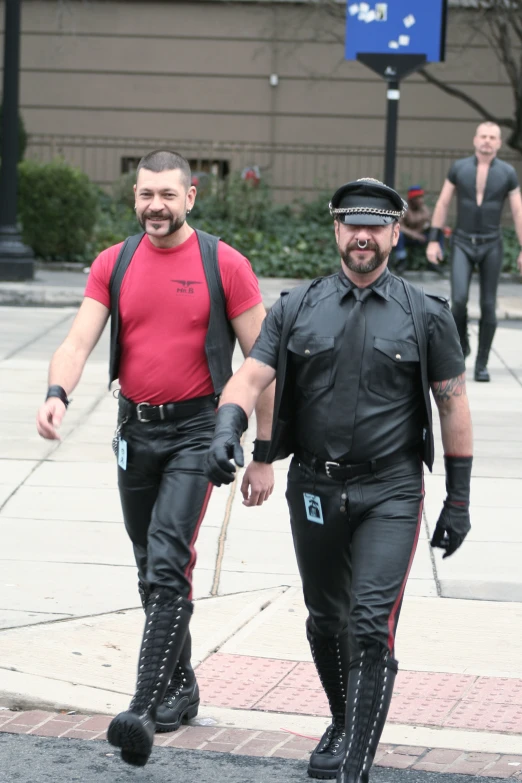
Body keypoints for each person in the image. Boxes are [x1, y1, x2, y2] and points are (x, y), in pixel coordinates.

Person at [204, 178, 473, 783]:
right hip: (315, 489)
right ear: (336, 230)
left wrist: (458, 498)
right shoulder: (297, 307)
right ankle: (344, 718)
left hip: (392, 490)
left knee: (369, 626)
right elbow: (249, 379)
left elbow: (454, 406)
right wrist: (229, 432)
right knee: (326, 620)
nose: (363, 236)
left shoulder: (426, 316)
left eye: (376, 226)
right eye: (353, 225)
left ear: (395, 234)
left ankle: (355, 768)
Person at [35, 150, 275, 767]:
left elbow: (265, 367)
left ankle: (144, 705)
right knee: (151, 565)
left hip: (199, 432)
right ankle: (182, 683)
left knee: (168, 556)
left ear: (191, 196)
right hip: (134, 432)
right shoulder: (115, 263)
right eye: (146, 195)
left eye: (168, 195)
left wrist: (264, 454)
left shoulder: (224, 263)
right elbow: (78, 339)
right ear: (134, 195)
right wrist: (57, 393)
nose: (155, 207)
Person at [427, 121, 522, 381]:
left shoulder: (507, 172)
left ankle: (482, 364)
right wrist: (434, 240)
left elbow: (517, 210)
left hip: (492, 242)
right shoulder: (460, 168)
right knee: (458, 301)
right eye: (483, 136)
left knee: (488, 305)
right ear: (475, 139)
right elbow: (444, 202)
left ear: (499, 143)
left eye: (493, 137)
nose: (487, 141)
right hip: (462, 242)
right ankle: (462, 347)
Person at [394, 185, 443, 274]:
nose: (421, 200)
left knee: (438, 232)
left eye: (421, 197)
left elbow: (430, 222)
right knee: (398, 235)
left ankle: (434, 260)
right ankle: (401, 261)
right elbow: (399, 226)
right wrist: (414, 235)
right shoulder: (404, 209)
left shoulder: (424, 209)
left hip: (421, 237)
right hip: (408, 238)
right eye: (418, 197)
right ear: (412, 199)